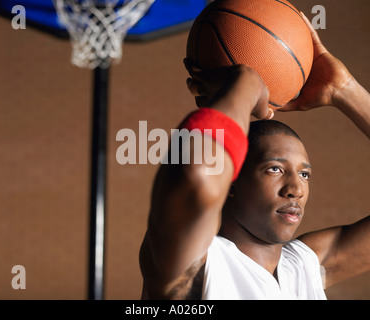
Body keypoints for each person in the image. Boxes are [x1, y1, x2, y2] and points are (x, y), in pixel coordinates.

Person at [139, 13, 370, 299]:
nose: (295, 189)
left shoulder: (306, 267)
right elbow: (197, 173)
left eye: (304, 173)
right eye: (275, 169)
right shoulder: (196, 265)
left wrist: (343, 89)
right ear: (231, 181)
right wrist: (246, 81)